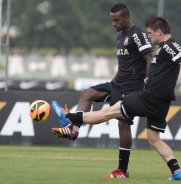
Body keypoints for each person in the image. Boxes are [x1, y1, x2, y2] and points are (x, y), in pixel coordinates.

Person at [51, 16, 181, 181]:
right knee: (153, 138)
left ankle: (68, 118)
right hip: (161, 103)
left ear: (159, 31)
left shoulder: (169, 46)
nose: (148, 36)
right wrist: (150, 78)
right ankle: (177, 171)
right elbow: (164, 70)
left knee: (109, 112)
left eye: (150, 33)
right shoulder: (164, 50)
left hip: (149, 97)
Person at [51, 3, 153, 179]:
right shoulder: (120, 38)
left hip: (132, 88)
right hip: (118, 84)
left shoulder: (138, 35)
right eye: (111, 20)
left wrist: (147, 84)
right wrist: (111, 85)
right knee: (87, 93)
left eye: (116, 20)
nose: (113, 24)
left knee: (123, 125)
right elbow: (123, 66)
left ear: (126, 18)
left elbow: (150, 59)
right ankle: (73, 129)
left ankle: (122, 170)